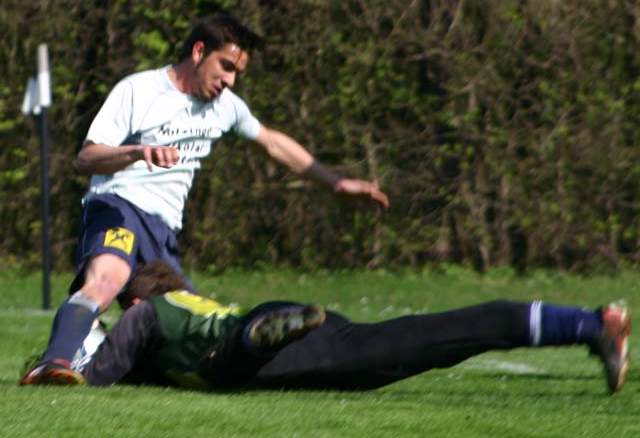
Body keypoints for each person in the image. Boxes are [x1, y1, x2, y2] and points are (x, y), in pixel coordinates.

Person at [20, 12, 389, 385]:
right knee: (107, 279)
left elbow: (272, 143)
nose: (230, 80)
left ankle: (94, 348)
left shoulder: (226, 107)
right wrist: (137, 152)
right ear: (198, 51)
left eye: (237, 73)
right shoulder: (138, 90)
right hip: (118, 207)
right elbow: (86, 157)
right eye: (226, 66)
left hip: (163, 232)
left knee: (186, 328)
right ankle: (53, 363)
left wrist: (337, 183)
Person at [29, 261, 631, 395]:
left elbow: (105, 369)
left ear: (137, 297)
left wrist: (71, 367)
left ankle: (261, 338)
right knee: (428, 341)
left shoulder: (145, 314)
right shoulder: (183, 306)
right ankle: (588, 323)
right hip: (293, 324)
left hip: (257, 345)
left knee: (224, 366)